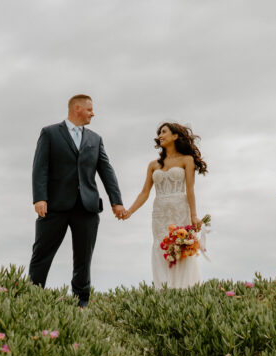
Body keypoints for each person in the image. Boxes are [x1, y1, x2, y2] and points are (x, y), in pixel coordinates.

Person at [28, 95, 126, 307]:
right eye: (90, 109)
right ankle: (32, 298)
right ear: (77, 109)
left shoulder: (95, 139)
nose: (93, 113)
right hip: (54, 205)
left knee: (83, 258)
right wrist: (40, 198)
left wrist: (116, 201)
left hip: (87, 206)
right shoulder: (50, 133)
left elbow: (106, 170)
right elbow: (40, 168)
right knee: (42, 253)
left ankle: (81, 301)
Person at [123, 122, 207, 289]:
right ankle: (163, 290)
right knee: (160, 247)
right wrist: (129, 211)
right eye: (159, 133)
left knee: (180, 247)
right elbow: (144, 192)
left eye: (164, 132)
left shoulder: (187, 160)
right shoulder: (153, 165)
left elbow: (190, 190)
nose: (160, 135)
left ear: (175, 136)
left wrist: (194, 216)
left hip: (180, 209)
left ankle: (185, 289)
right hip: (160, 212)